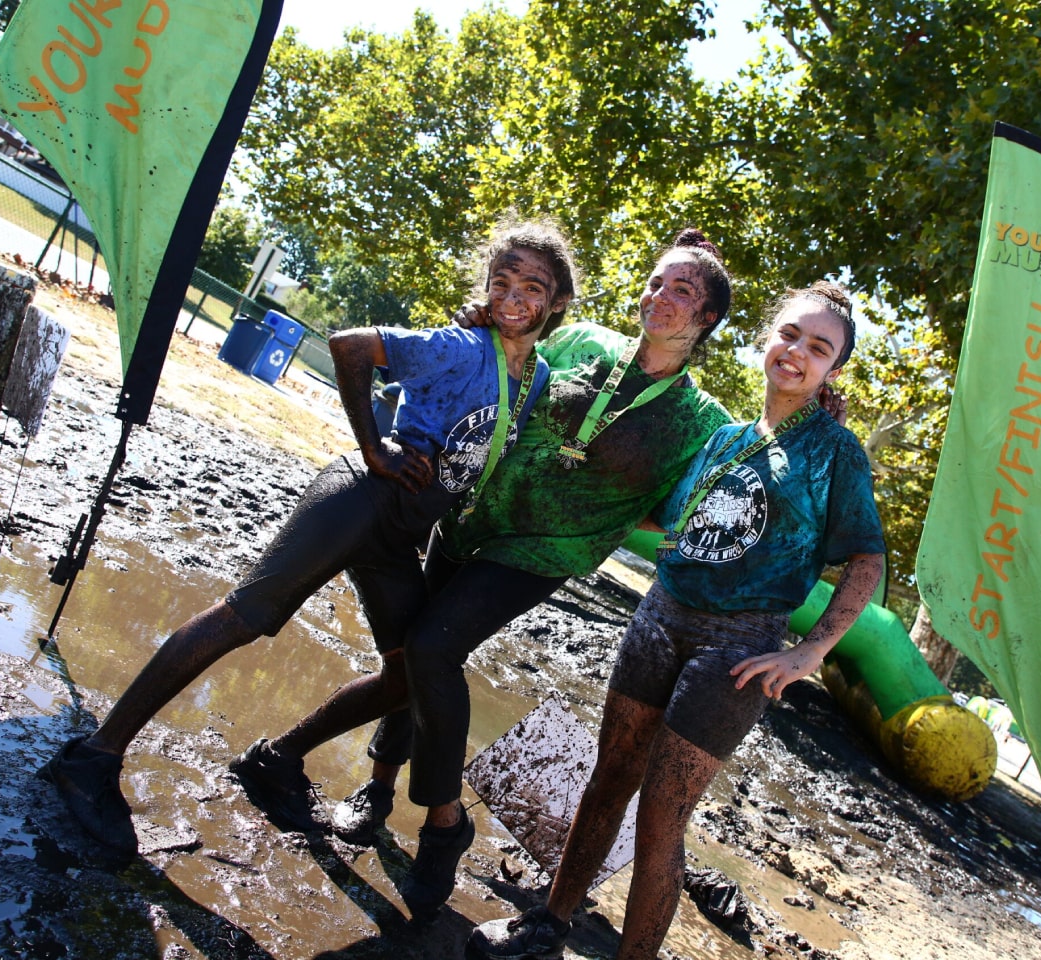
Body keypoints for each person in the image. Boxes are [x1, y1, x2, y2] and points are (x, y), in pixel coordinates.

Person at [37, 218, 578, 860]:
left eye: (532, 288)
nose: (513, 297)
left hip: (400, 533)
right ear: (486, 285)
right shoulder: (460, 345)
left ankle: (276, 760)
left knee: (409, 670)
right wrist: (374, 447)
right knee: (246, 617)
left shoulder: (535, 378)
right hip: (359, 499)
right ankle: (94, 757)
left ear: (558, 302)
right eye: (502, 281)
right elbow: (350, 345)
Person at [246, 229, 735, 918]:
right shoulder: (582, 342)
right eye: (657, 281)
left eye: (683, 291)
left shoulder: (702, 420)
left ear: (708, 318)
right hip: (470, 517)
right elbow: (506, 360)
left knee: (432, 648)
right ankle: (369, 789)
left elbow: (689, 504)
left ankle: (443, 827)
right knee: (410, 658)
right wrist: (476, 319)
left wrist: (599, 512)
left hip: (540, 555)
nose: (662, 296)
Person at [466, 280, 886, 960]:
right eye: (788, 336)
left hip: (738, 650)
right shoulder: (722, 437)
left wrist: (810, 652)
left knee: (662, 819)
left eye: (818, 348)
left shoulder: (835, 452)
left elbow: (866, 559)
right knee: (609, 778)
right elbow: (672, 520)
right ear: (764, 340)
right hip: (659, 620)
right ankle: (547, 922)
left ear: (832, 371)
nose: (796, 354)